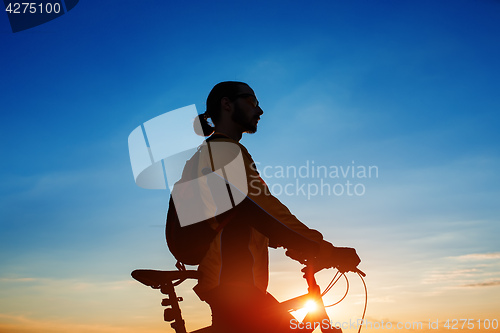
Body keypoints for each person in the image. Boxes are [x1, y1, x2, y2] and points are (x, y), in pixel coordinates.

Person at [180, 81, 360, 333]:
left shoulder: (215, 152)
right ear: (227, 104)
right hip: (233, 284)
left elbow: (241, 216)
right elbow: (263, 210)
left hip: (232, 283)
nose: (260, 110)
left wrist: (291, 244)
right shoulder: (222, 151)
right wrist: (321, 247)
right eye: (252, 101)